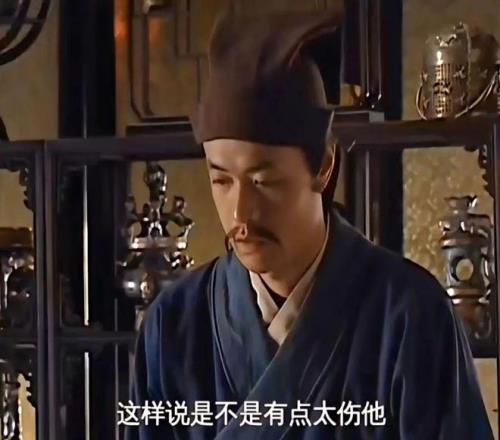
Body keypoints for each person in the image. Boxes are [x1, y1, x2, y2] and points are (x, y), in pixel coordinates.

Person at [125, 6, 493, 440]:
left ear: (324, 165)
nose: (240, 213)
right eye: (221, 180)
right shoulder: (173, 325)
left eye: (263, 181)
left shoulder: (410, 316)